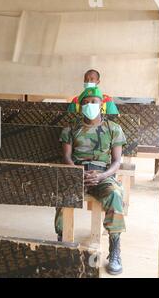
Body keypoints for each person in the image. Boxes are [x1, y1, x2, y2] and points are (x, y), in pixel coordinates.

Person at [56, 87, 126, 275]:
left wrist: (102, 176)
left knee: (115, 194)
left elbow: (117, 161)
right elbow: (67, 157)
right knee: (62, 192)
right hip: (76, 174)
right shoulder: (71, 129)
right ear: (80, 106)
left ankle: (115, 250)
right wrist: (77, 173)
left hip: (102, 175)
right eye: (86, 102)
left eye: (94, 101)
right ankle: (61, 242)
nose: (90, 105)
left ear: (101, 104)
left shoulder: (113, 129)